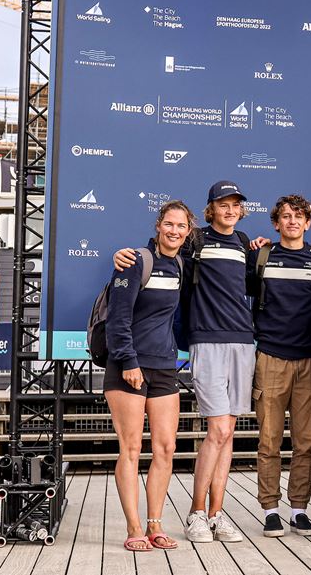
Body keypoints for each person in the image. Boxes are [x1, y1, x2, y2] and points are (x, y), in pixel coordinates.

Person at [114, 180, 257, 543]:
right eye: (222, 204)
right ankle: (183, 516)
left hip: (223, 348)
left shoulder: (242, 245)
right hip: (196, 346)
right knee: (212, 433)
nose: (229, 209)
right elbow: (119, 316)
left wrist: (260, 246)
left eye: (235, 204)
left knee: (213, 438)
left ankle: (208, 514)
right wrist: (123, 255)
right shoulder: (189, 246)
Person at [104, 200, 194, 551]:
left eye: (181, 226)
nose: (174, 231)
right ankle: (134, 527)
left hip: (164, 366)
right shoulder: (135, 261)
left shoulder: (181, 265)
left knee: (166, 448)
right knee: (131, 447)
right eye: (169, 224)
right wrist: (128, 362)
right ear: (159, 225)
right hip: (128, 366)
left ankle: (155, 525)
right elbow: (117, 318)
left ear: (188, 232)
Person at [253, 195, 311, 538]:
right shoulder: (263, 256)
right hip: (270, 357)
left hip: (308, 359)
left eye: (299, 216)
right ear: (276, 223)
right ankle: (270, 509)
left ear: (308, 223)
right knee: (269, 441)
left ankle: (299, 509)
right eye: (285, 216)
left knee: (305, 441)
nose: (292, 221)